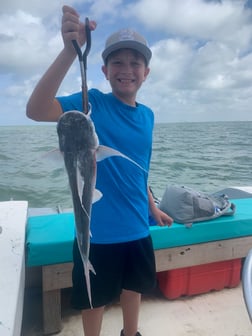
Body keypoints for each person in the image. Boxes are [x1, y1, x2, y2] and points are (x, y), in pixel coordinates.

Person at [26, 5, 173, 336]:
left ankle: (130, 333)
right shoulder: (91, 103)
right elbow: (36, 110)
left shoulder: (148, 115)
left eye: (135, 62)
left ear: (146, 72)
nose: (127, 69)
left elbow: (140, 171)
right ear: (104, 70)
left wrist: (152, 208)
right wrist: (68, 52)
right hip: (96, 236)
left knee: (134, 289)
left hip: (137, 229)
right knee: (94, 301)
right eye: (117, 62)